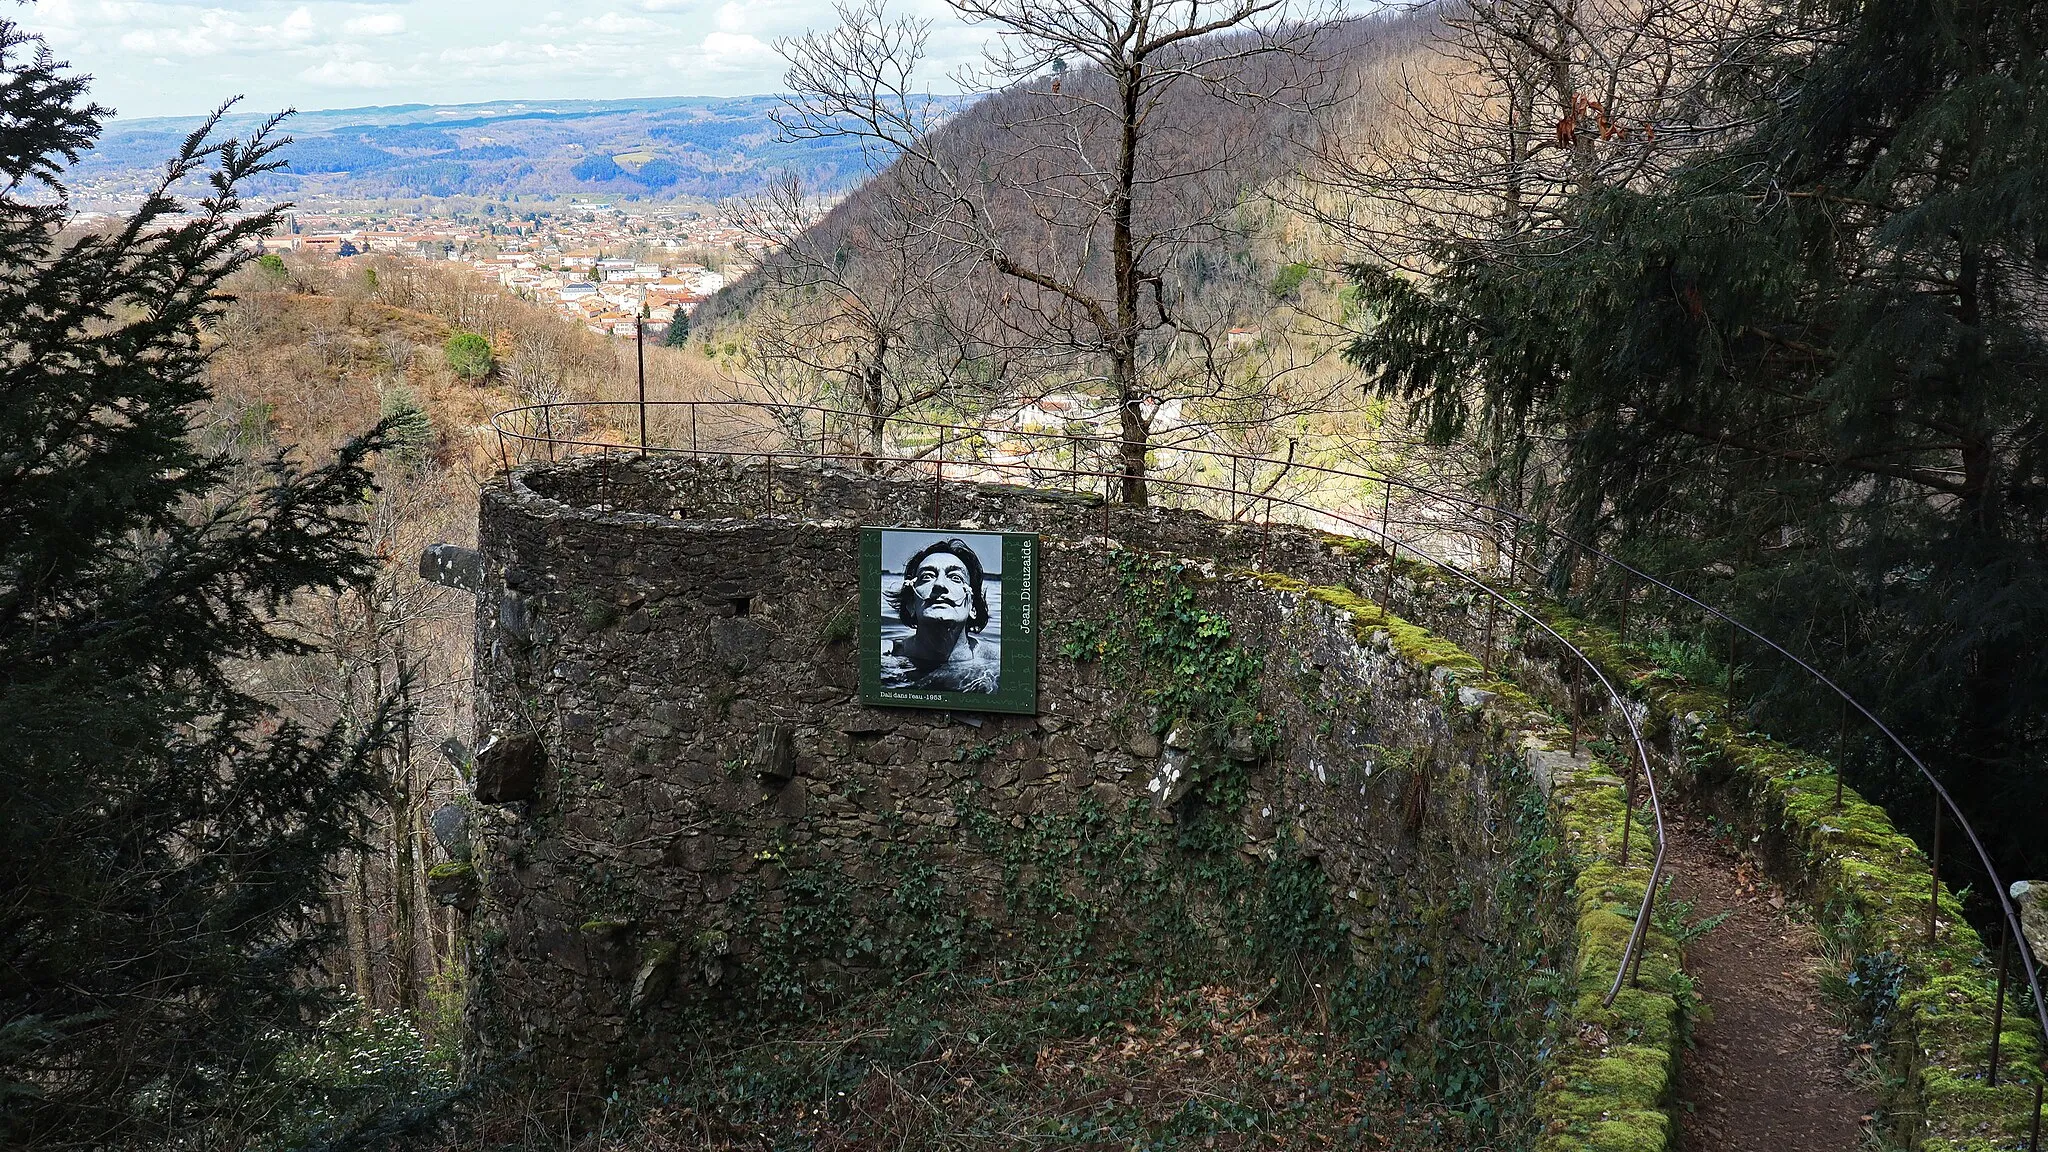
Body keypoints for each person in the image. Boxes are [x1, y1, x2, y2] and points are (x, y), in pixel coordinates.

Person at [880, 538, 1000, 693]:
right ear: (910, 603)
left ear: (973, 607)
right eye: (927, 576)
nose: (939, 585)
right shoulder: (886, 653)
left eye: (956, 578)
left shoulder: (998, 660)